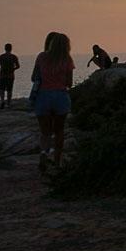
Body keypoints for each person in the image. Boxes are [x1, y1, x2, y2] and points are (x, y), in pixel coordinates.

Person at [32, 32, 74, 172]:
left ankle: (44, 153)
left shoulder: (42, 57)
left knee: (45, 131)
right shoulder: (67, 59)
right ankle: (57, 160)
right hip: (60, 97)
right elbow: (69, 83)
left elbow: (34, 77)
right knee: (59, 130)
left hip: (43, 96)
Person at [0, 43, 19, 109]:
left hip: (2, 76)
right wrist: (13, 69)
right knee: (9, 90)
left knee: (2, 89)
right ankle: (8, 104)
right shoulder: (14, 57)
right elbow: (18, 66)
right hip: (10, 76)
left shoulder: (1, 57)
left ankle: (2, 101)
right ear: (11, 49)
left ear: (5, 48)